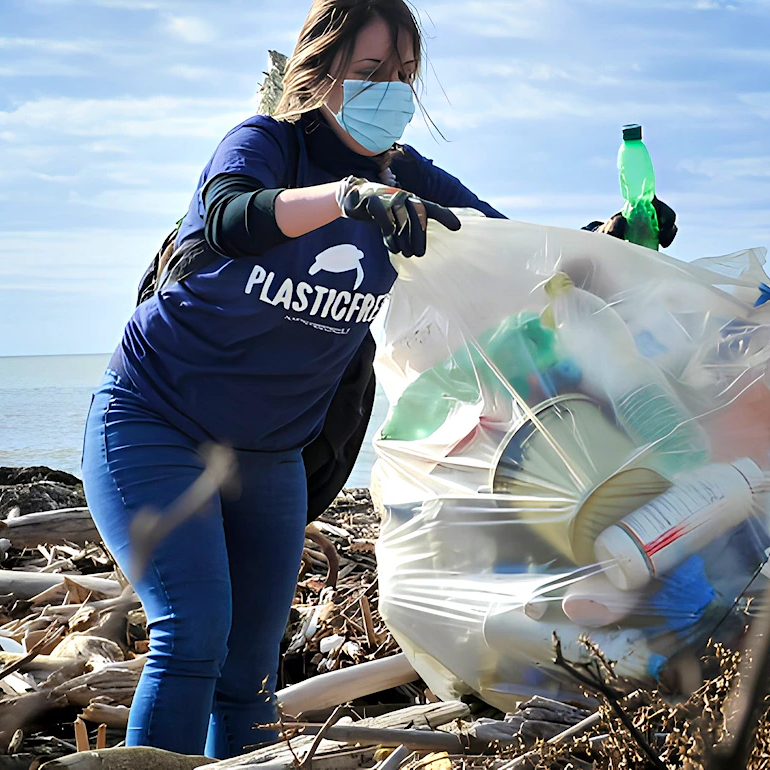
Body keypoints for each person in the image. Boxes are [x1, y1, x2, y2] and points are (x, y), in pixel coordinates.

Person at [82, 0, 677, 758]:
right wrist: (345, 199)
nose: (390, 91)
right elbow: (232, 216)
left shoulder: (402, 175)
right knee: (194, 632)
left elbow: (511, 250)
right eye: (369, 73)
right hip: (153, 420)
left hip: (267, 456)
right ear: (321, 73)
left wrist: (613, 238)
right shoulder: (265, 145)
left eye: (403, 75)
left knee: (251, 675)